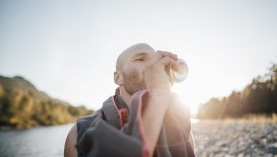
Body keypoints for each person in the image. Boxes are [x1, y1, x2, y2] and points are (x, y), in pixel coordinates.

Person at [64, 43, 196, 157]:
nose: (153, 64)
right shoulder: (79, 133)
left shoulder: (181, 119)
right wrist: (156, 100)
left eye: (155, 59)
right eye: (141, 59)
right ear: (118, 77)